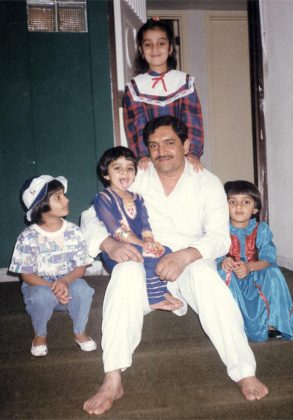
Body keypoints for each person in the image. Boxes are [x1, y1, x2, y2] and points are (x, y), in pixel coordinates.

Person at [81, 116, 268, 416]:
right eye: (154, 146)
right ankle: (113, 377)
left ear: (186, 145)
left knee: (208, 282)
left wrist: (183, 256)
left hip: (190, 261)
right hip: (146, 264)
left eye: (170, 143)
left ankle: (244, 370)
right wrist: (110, 245)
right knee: (125, 272)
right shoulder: (137, 176)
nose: (161, 151)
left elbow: (220, 238)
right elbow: (91, 214)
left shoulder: (207, 182)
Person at [9, 175, 97, 357]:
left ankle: (80, 330)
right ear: (41, 205)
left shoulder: (74, 231)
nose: (67, 199)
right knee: (40, 296)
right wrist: (53, 287)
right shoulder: (28, 236)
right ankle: (39, 334)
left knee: (83, 289)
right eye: (58, 197)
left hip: (68, 282)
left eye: (63, 195)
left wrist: (65, 281)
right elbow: (26, 275)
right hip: (40, 285)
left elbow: (81, 267)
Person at [93, 145, 183, 311]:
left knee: (166, 251)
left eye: (130, 169)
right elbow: (116, 230)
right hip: (119, 249)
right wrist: (143, 245)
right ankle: (153, 297)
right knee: (149, 255)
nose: (125, 173)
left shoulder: (137, 198)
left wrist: (149, 241)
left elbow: (144, 224)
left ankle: (161, 290)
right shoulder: (103, 197)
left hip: (139, 245)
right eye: (118, 168)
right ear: (106, 174)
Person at [216, 180, 293, 342]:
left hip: (255, 273)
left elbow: (268, 258)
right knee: (222, 271)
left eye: (246, 202)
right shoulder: (220, 230)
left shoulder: (261, 229)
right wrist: (224, 260)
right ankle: (232, 324)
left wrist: (249, 267)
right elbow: (212, 252)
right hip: (234, 278)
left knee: (273, 272)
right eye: (232, 202)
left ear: (255, 208)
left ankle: (273, 323)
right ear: (224, 206)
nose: (239, 207)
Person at [123, 17, 204, 170]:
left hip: (180, 156)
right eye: (148, 44)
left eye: (161, 43)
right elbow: (136, 126)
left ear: (170, 48)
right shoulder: (135, 87)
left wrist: (192, 152)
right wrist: (143, 154)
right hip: (151, 157)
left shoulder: (184, 82)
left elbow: (193, 122)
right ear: (141, 50)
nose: (155, 49)